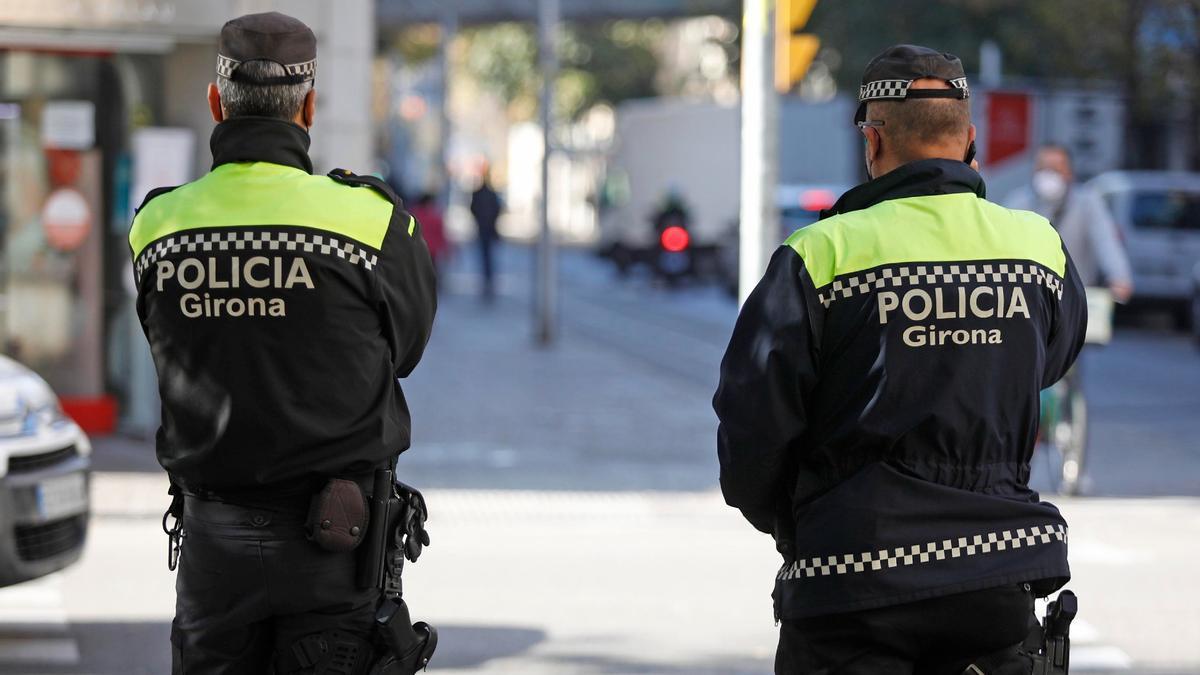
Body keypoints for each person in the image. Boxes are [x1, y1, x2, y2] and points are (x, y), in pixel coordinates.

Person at [714, 45, 1088, 674]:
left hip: (854, 584)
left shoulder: (819, 253)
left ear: (873, 139)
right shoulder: (1038, 248)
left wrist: (802, 520)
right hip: (999, 577)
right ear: (969, 139)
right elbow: (1045, 364)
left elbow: (753, 426)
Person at [128, 12, 437, 673]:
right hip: (338, 544)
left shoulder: (158, 224)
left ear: (217, 102)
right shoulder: (371, 221)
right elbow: (405, 350)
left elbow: (170, 340)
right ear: (310, 107)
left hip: (214, 548)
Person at [1004, 144, 1134, 302]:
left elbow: (1105, 240)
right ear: (1034, 171)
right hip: (1029, 297)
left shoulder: (1087, 203)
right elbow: (1002, 245)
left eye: (1056, 169)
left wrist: (1119, 276)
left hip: (1076, 296)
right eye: (1043, 168)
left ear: (1069, 174)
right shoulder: (1017, 203)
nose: (1049, 174)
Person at [469, 168, 502, 302]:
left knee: (486, 256)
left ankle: (487, 280)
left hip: (485, 228)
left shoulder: (480, 194)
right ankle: (487, 280)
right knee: (487, 256)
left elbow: (473, 208)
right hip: (486, 228)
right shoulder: (488, 194)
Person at [409, 192, 450, 280]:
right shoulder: (436, 217)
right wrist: (446, 250)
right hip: (432, 250)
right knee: (431, 268)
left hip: (418, 248)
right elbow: (441, 234)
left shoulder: (415, 214)